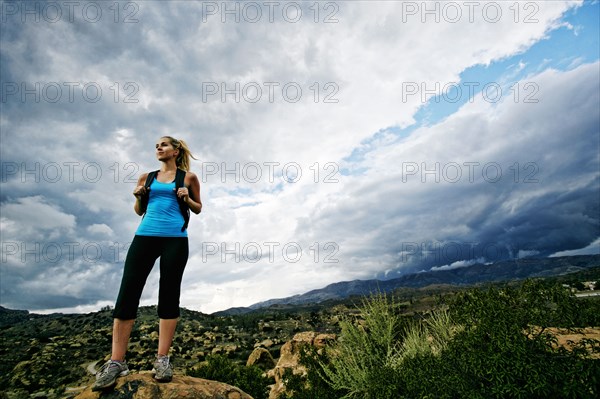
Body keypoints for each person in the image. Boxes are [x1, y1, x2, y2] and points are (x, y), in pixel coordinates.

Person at [92, 136, 202, 391]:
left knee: (169, 295)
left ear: (175, 151)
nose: (158, 148)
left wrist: (186, 198)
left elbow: (198, 208)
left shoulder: (188, 178)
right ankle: (117, 362)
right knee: (127, 294)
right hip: (144, 237)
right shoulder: (146, 177)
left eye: (163, 145)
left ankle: (162, 360)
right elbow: (139, 210)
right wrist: (139, 196)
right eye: (156, 146)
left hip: (175, 239)